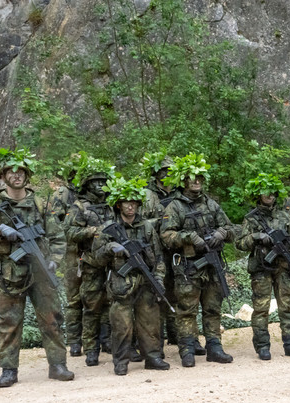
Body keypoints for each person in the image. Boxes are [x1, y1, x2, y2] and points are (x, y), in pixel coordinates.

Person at [0, 148, 74, 387]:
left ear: (27, 176)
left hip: (41, 272)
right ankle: (9, 370)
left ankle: (58, 365)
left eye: (21, 172)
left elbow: (58, 236)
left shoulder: (40, 203)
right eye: (11, 171)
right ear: (2, 176)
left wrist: (55, 260)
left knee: (52, 320)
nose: (16, 176)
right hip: (10, 274)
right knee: (8, 323)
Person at [158, 154, 235, 368]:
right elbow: (166, 235)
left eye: (200, 178)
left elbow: (232, 229)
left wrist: (222, 233)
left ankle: (214, 346)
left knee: (212, 308)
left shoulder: (211, 204)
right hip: (188, 268)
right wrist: (188, 237)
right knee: (186, 310)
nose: (197, 182)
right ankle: (187, 348)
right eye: (193, 178)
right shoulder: (175, 207)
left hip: (212, 265)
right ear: (184, 181)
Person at [92, 176, 170, 375]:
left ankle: (152, 357)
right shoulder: (108, 229)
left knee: (150, 321)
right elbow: (97, 258)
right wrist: (111, 248)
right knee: (122, 325)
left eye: (134, 203)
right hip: (121, 283)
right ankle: (121, 361)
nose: (130, 207)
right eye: (126, 203)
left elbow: (159, 257)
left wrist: (159, 278)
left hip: (146, 281)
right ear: (119, 205)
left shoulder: (147, 227)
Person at [235, 173, 290, 360]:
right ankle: (262, 346)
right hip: (261, 269)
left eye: (273, 193)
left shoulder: (284, 216)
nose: (271, 196)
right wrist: (257, 237)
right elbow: (240, 243)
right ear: (258, 195)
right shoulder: (251, 219)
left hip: (283, 267)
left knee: (287, 306)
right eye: (266, 193)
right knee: (261, 309)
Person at [65, 158, 115, 367]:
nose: (99, 186)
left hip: (112, 263)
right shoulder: (80, 207)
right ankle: (90, 348)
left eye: (102, 181)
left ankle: (107, 340)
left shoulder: (113, 204)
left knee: (110, 303)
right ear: (87, 185)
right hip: (91, 263)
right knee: (90, 306)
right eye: (94, 182)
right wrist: (94, 231)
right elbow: (69, 232)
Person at [141, 152, 184, 350]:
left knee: (178, 291)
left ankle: (178, 336)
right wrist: (160, 222)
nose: (167, 175)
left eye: (171, 171)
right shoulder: (146, 195)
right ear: (156, 173)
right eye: (163, 171)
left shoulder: (180, 193)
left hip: (176, 249)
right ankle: (156, 340)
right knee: (157, 291)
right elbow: (138, 222)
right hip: (154, 249)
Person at [49, 153, 83, 356]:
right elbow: (55, 224)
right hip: (71, 252)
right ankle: (75, 340)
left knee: (99, 297)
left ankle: (98, 339)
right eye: (75, 172)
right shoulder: (62, 194)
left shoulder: (91, 194)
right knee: (74, 299)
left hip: (93, 251)